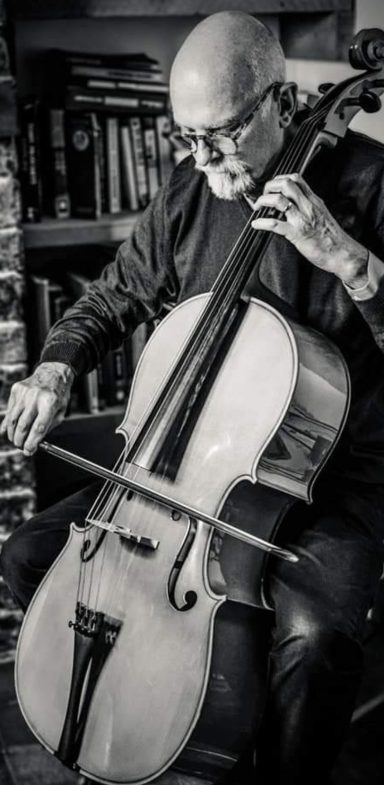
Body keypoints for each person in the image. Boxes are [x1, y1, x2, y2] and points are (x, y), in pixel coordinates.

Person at [2, 10, 384, 785]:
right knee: (30, 557)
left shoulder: (372, 186)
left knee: (312, 641)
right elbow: (110, 299)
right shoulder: (191, 190)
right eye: (188, 137)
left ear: (279, 101)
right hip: (194, 467)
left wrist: (353, 265)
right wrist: (56, 366)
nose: (204, 157)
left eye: (223, 134)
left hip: (332, 483)